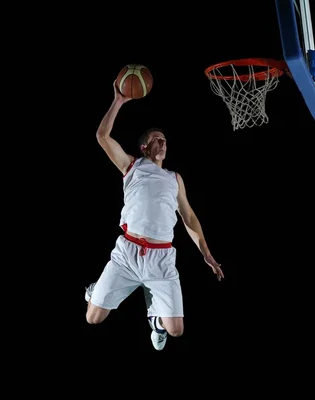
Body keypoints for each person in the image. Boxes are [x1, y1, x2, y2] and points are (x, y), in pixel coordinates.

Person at [85, 81, 224, 351]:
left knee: (176, 331)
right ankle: (94, 290)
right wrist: (119, 101)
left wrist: (205, 253)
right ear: (144, 147)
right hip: (128, 254)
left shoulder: (175, 178)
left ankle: (156, 321)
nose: (163, 143)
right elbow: (103, 137)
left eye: (165, 140)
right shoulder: (132, 166)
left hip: (161, 259)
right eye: (157, 139)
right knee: (93, 318)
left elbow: (189, 217)